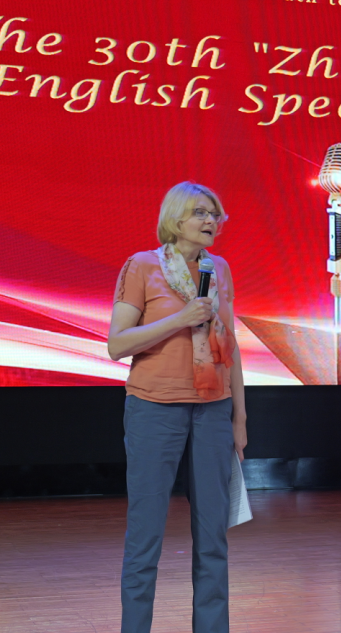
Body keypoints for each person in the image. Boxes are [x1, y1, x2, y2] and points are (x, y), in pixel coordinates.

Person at [108, 181, 247, 633]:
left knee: (213, 537)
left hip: (213, 410)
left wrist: (240, 416)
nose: (211, 221)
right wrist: (180, 319)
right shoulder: (142, 266)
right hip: (154, 409)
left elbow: (230, 345)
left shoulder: (218, 268)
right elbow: (117, 344)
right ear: (176, 218)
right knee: (145, 534)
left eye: (215, 214)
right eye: (201, 213)